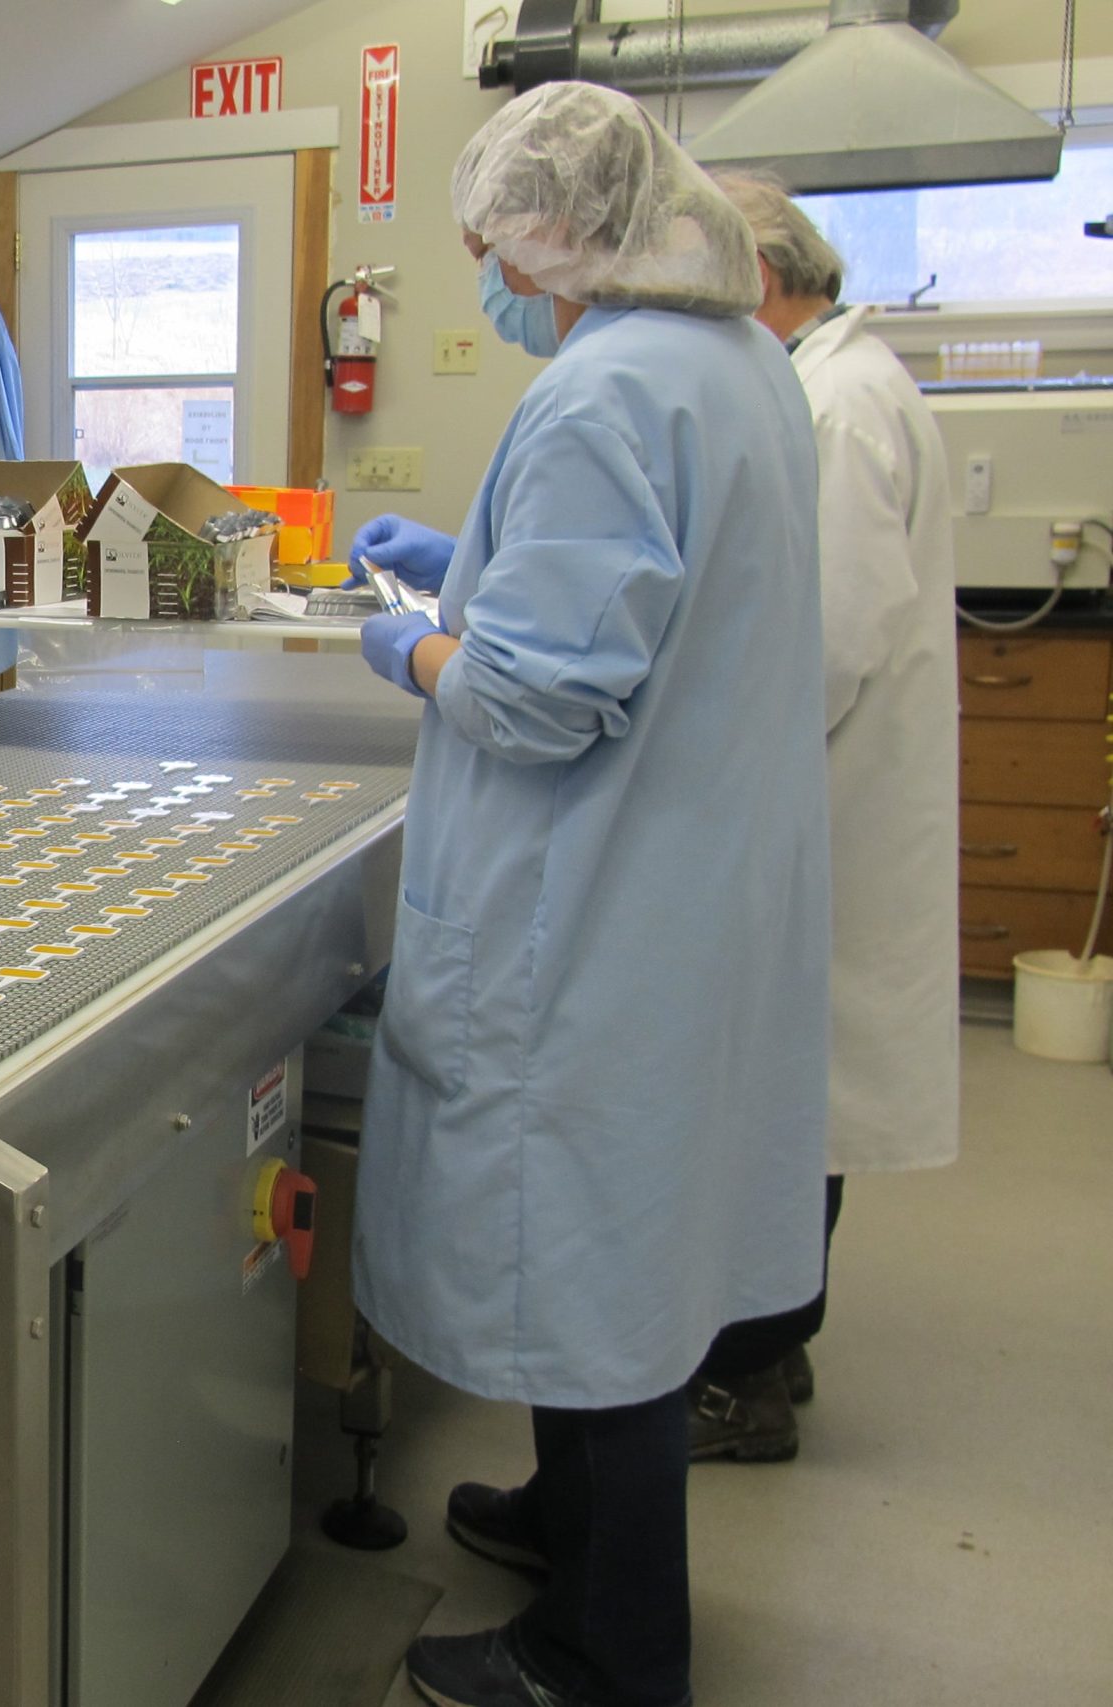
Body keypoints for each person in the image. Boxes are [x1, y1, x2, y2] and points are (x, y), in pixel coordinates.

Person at [345, 83, 830, 1707]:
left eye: (493, 247)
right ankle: (568, 1518)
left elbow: (543, 700)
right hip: (694, 886)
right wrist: (476, 564)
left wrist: (419, 640)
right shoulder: (742, 363)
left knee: (591, 1255)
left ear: (562, 234)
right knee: (638, 1239)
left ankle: (606, 1652)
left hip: (598, 908)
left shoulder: (602, 393)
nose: (492, 282)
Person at [680, 172, 959, 1463]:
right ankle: (769, 1340)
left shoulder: (838, 403)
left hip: (823, 792)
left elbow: (829, 636)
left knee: (792, 1094)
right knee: (800, 1089)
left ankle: (747, 1372)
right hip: (827, 786)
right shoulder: (834, 381)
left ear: (761, 274)